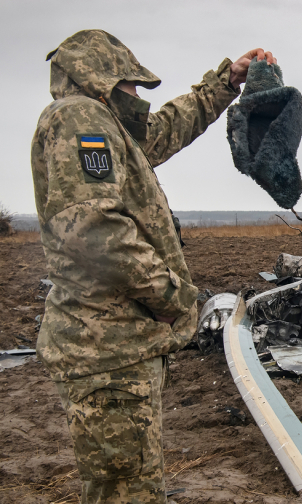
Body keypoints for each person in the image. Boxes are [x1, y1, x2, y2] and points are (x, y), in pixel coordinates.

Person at [30, 29, 275, 503]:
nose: (139, 97)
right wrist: (173, 297)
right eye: (133, 85)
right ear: (102, 78)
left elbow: (163, 129)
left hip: (114, 346)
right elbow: (94, 229)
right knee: (125, 491)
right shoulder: (80, 117)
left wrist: (226, 81)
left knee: (128, 481)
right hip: (108, 350)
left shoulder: (107, 126)